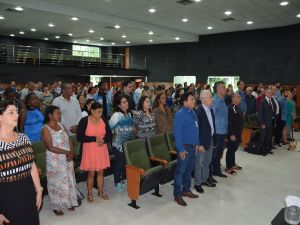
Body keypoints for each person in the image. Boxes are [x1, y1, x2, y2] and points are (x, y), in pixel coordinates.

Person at [0, 101, 42, 225]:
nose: (17, 116)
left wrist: (39, 189)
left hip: (28, 191)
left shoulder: (24, 138)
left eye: (16, 112)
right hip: (6, 196)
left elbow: (32, 165)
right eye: (11, 113)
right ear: (0, 117)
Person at [42, 106, 78, 216]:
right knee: (56, 182)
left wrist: (71, 152)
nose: (60, 115)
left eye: (60, 113)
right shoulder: (45, 129)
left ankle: (69, 202)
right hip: (55, 160)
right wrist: (67, 153)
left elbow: (69, 140)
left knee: (68, 179)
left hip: (67, 158)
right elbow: (50, 147)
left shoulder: (61, 126)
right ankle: (56, 206)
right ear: (50, 115)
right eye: (57, 113)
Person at [77, 103, 112, 202]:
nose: (100, 114)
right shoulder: (84, 121)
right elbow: (79, 137)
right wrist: (93, 138)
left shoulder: (103, 120)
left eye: (101, 112)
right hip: (90, 150)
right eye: (98, 112)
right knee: (91, 173)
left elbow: (109, 134)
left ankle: (100, 192)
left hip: (101, 150)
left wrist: (104, 140)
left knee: (101, 172)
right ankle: (89, 193)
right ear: (91, 111)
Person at [173, 92, 199, 207]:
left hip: (193, 146)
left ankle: (186, 190)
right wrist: (181, 149)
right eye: (191, 99)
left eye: (194, 99)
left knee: (189, 169)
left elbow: (196, 129)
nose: (194, 101)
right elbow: (177, 134)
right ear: (185, 102)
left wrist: (197, 144)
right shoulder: (180, 114)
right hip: (184, 147)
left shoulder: (193, 112)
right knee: (180, 171)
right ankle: (177, 194)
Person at [109, 95, 135, 192]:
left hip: (127, 144)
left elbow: (131, 127)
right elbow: (110, 128)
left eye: (126, 101)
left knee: (125, 163)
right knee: (119, 164)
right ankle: (117, 182)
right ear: (119, 105)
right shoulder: (116, 115)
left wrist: (132, 130)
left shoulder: (129, 114)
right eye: (123, 102)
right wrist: (118, 132)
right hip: (118, 144)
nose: (126, 103)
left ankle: (123, 179)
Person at [194, 90, 216, 194]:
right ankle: (197, 183)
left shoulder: (210, 110)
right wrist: (199, 144)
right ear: (203, 99)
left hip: (210, 139)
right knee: (199, 163)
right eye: (210, 97)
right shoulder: (199, 111)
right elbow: (196, 130)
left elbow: (211, 125)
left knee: (207, 161)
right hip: (202, 142)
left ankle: (204, 179)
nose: (212, 99)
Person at [211, 81, 228, 178]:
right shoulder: (215, 101)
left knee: (219, 152)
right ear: (218, 89)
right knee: (215, 152)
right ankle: (213, 171)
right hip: (217, 131)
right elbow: (212, 117)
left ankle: (217, 169)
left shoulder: (223, 100)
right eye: (223, 87)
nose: (225, 89)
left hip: (223, 130)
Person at [225, 93, 243, 175]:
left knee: (234, 149)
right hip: (233, 133)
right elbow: (229, 122)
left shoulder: (237, 107)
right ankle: (228, 167)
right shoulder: (231, 108)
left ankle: (233, 164)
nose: (240, 98)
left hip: (238, 132)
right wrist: (231, 134)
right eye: (239, 97)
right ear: (233, 98)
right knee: (231, 150)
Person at [258, 88, 275, 156]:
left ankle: (267, 149)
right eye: (268, 92)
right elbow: (260, 114)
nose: (270, 93)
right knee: (263, 137)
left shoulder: (271, 101)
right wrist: (262, 123)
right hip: (264, 123)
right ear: (265, 93)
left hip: (270, 122)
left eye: (271, 92)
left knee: (268, 137)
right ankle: (262, 150)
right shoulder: (262, 101)